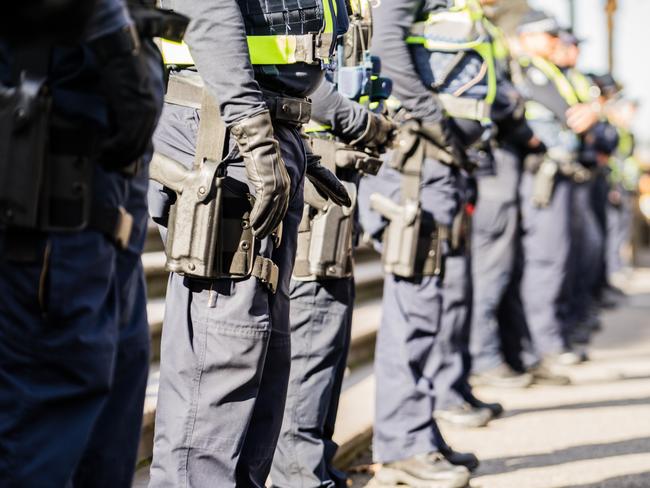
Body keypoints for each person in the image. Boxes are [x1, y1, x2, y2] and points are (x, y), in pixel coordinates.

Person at [147, 0, 351, 486]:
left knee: (261, 356)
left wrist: (291, 143)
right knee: (222, 360)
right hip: (225, 131)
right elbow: (206, 10)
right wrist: (256, 136)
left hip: (260, 125)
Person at [0, 1, 164, 485]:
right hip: (50, 202)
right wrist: (112, 31)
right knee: (43, 433)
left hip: (107, 198)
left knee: (108, 427)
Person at [357, 0, 506, 485]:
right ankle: (404, 445)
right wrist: (435, 122)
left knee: (430, 308)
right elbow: (387, 49)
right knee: (416, 310)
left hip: (441, 165)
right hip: (420, 165)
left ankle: (421, 435)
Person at [269, 2, 396, 486]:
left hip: (336, 165)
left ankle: (314, 461)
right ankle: (299, 473)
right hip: (315, 157)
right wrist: (360, 121)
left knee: (329, 329)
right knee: (311, 327)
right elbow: (296, 72)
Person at [512, 10, 601, 382]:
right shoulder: (530, 69)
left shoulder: (552, 71)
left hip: (560, 177)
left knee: (560, 261)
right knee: (547, 263)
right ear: (528, 37)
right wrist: (589, 116)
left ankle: (551, 339)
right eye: (548, 36)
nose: (556, 43)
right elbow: (572, 118)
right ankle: (544, 345)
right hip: (543, 179)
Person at [469, 0, 542, 389]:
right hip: (494, 157)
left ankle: (512, 354)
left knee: (506, 268)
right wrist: (523, 126)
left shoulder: (489, 25)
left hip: (504, 160)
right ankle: (484, 356)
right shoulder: (472, 21)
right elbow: (493, 95)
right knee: (490, 268)